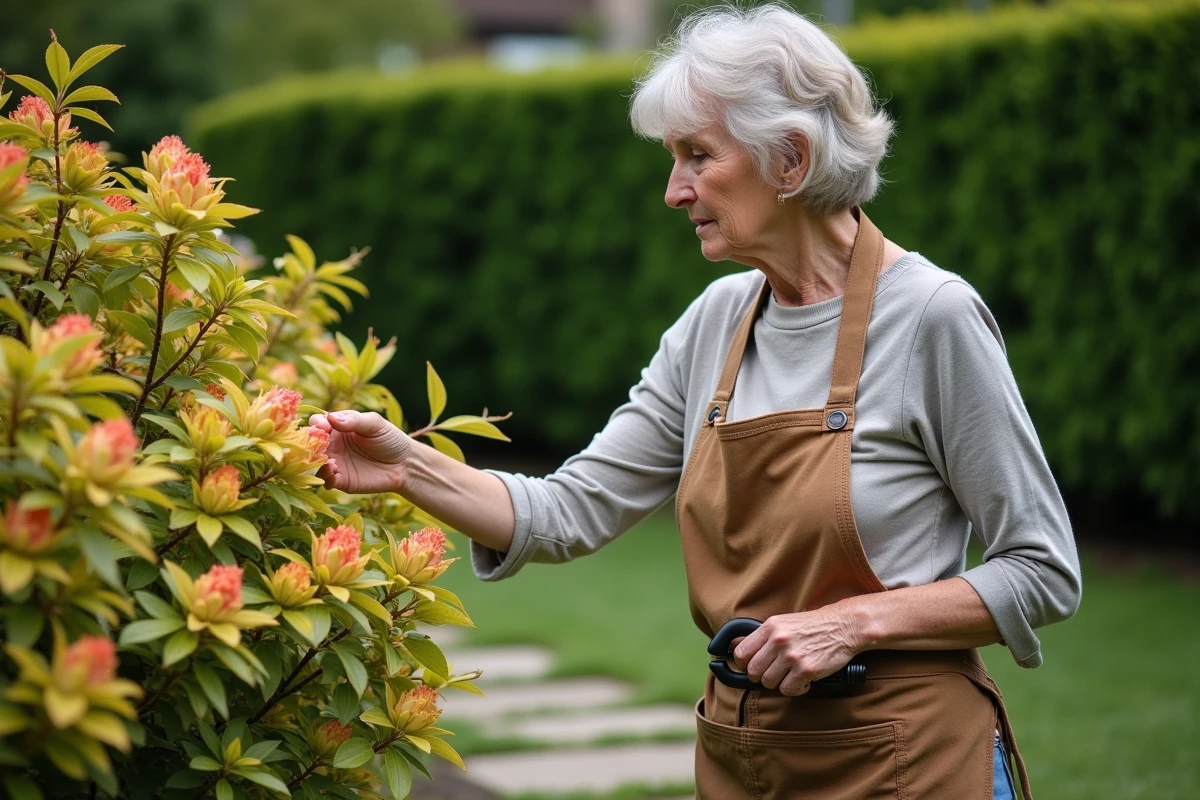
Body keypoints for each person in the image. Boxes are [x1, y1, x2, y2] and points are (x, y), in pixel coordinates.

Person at [307, 4, 1081, 797]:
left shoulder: (930, 318)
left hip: (907, 761)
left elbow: (1043, 569)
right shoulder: (714, 323)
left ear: (789, 159)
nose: (675, 191)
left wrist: (852, 622)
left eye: (696, 156)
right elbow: (569, 509)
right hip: (743, 758)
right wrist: (407, 468)